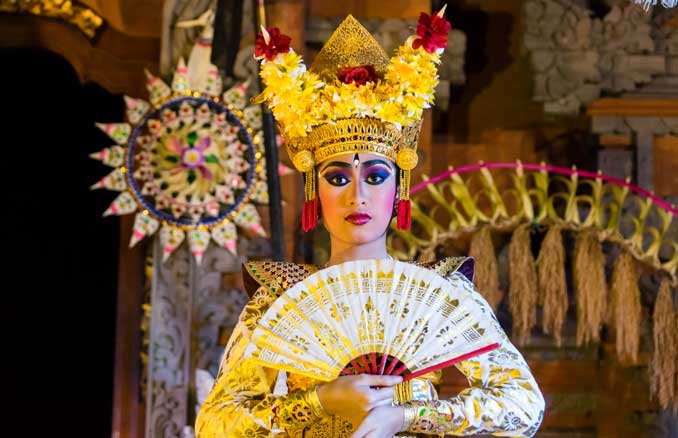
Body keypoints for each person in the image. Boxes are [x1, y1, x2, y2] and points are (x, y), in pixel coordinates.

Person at [196, 8, 544, 438]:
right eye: (338, 177)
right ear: (314, 189)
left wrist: (406, 416)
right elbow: (214, 424)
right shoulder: (279, 297)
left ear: (398, 187)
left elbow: (524, 405)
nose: (357, 194)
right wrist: (319, 401)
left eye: (375, 176)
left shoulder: (443, 291)